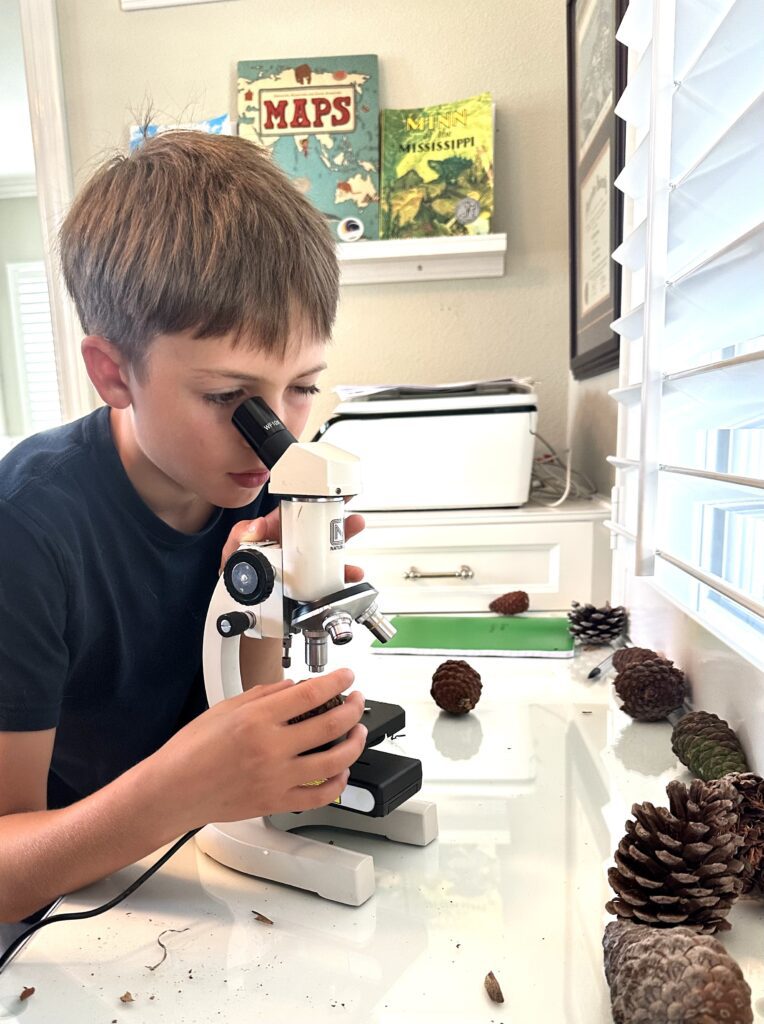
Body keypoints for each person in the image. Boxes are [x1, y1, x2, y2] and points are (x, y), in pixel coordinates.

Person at [0, 131, 368, 926]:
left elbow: (250, 709)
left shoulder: (250, 487)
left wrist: (268, 603)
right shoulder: (26, 531)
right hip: (74, 902)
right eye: (227, 395)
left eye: (303, 385)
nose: (276, 435)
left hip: (196, 873)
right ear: (112, 373)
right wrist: (182, 786)